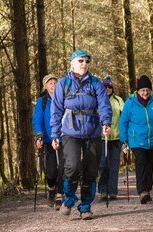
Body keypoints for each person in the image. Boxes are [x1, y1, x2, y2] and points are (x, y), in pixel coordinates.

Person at [50, 50, 112, 220]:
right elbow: (55, 110)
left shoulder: (95, 83)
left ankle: (85, 206)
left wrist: (106, 123)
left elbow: (104, 105)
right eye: (81, 61)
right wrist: (54, 134)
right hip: (70, 132)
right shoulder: (63, 84)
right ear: (72, 63)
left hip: (92, 131)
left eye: (86, 61)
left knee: (91, 170)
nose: (84, 64)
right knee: (72, 166)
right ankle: (69, 199)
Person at [119, 74, 153, 204]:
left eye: (148, 90)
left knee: (149, 166)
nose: (145, 92)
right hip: (136, 140)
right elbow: (123, 122)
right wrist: (124, 140)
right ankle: (142, 191)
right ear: (137, 91)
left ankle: (147, 189)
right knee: (141, 163)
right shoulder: (130, 103)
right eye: (142, 90)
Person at [32, 74, 64, 210]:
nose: (53, 85)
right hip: (48, 139)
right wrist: (38, 135)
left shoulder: (64, 99)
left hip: (64, 138)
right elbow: (37, 119)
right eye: (50, 83)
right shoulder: (42, 102)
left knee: (63, 167)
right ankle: (51, 189)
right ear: (45, 86)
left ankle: (60, 194)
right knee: (51, 172)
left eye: (55, 82)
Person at [98, 76, 124, 200]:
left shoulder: (118, 100)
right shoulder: (98, 100)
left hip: (116, 138)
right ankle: (103, 190)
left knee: (114, 166)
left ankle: (113, 191)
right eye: (105, 87)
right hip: (102, 138)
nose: (107, 89)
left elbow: (124, 117)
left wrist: (124, 136)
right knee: (103, 164)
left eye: (109, 87)